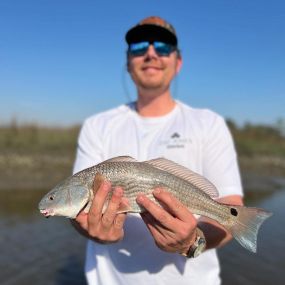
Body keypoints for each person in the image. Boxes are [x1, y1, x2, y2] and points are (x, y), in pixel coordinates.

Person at [72, 16, 243, 285]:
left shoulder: (209, 123)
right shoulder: (97, 125)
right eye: (140, 47)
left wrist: (193, 241)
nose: (151, 53)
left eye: (163, 46)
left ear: (178, 62)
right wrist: (92, 229)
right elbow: (78, 209)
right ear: (128, 62)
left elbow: (232, 207)